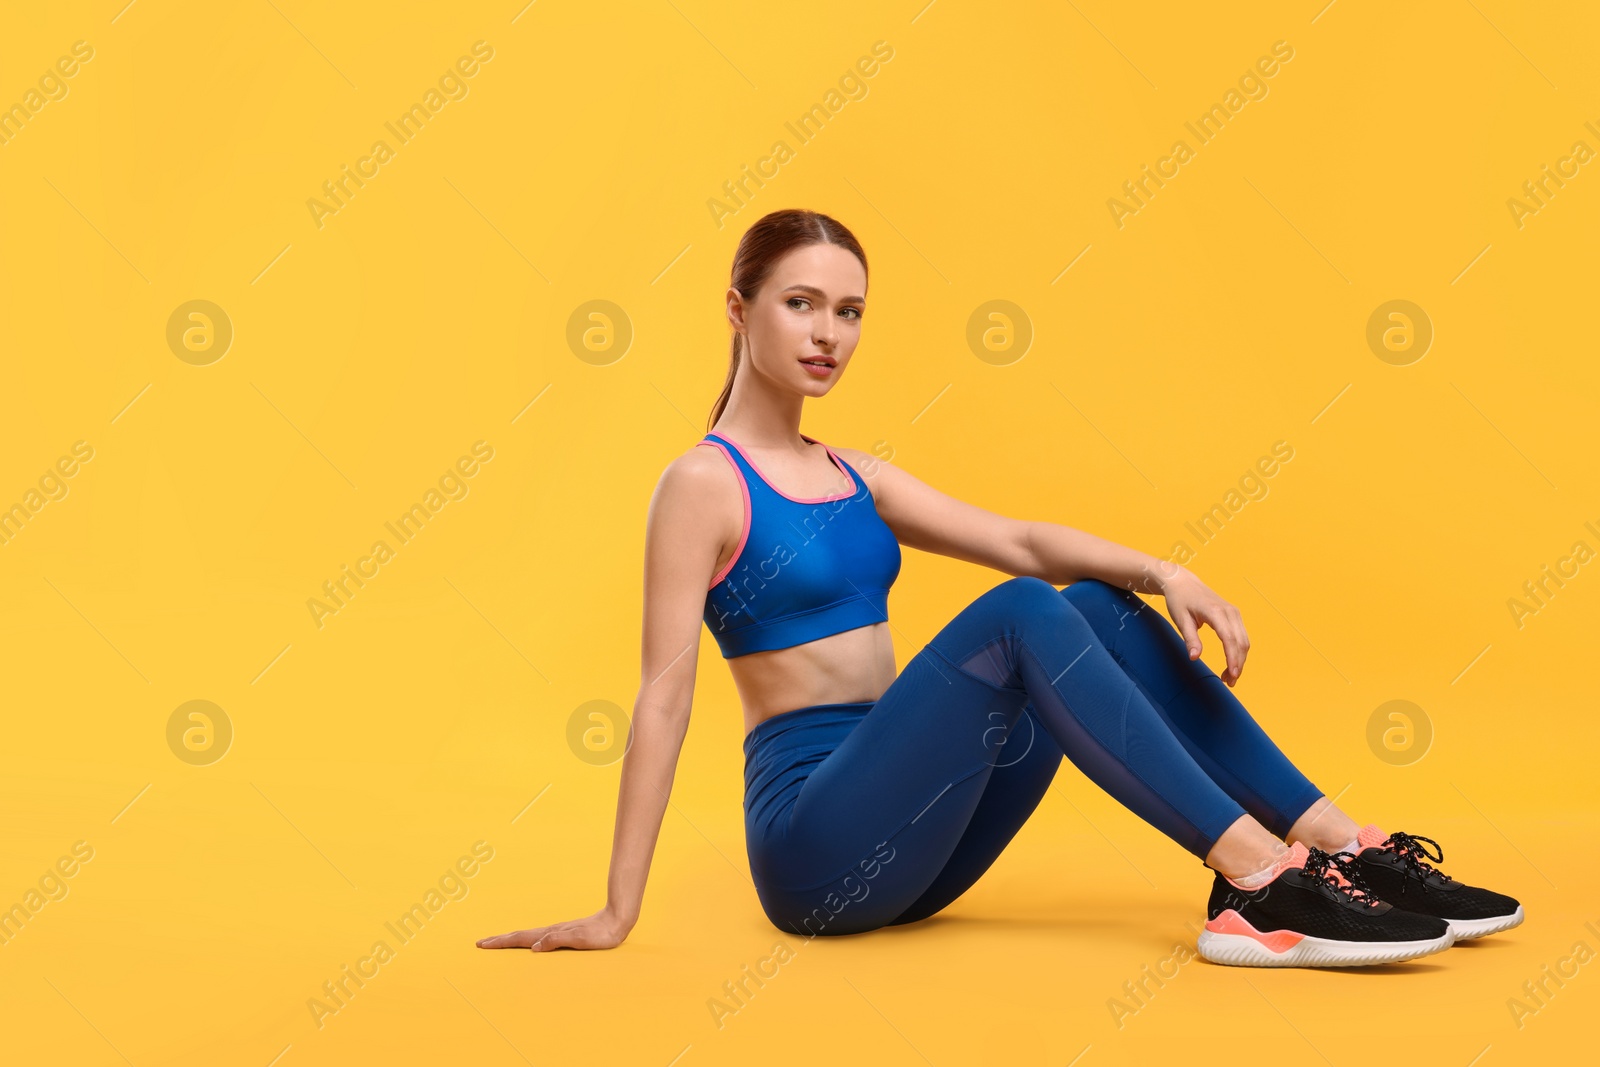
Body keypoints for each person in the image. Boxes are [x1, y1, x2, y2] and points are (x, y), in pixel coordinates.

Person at [477, 208, 1523, 968]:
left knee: (1094, 608)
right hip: (814, 844)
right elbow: (663, 691)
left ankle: (1348, 845)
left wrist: (1166, 569)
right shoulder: (700, 483)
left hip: (917, 838)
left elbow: (1020, 539)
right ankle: (1256, 880)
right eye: (800, 302)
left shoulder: (856, 475)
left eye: (847, 310)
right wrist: (616, 908)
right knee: (1024, 619)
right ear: (738, 306)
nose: (827, 332)